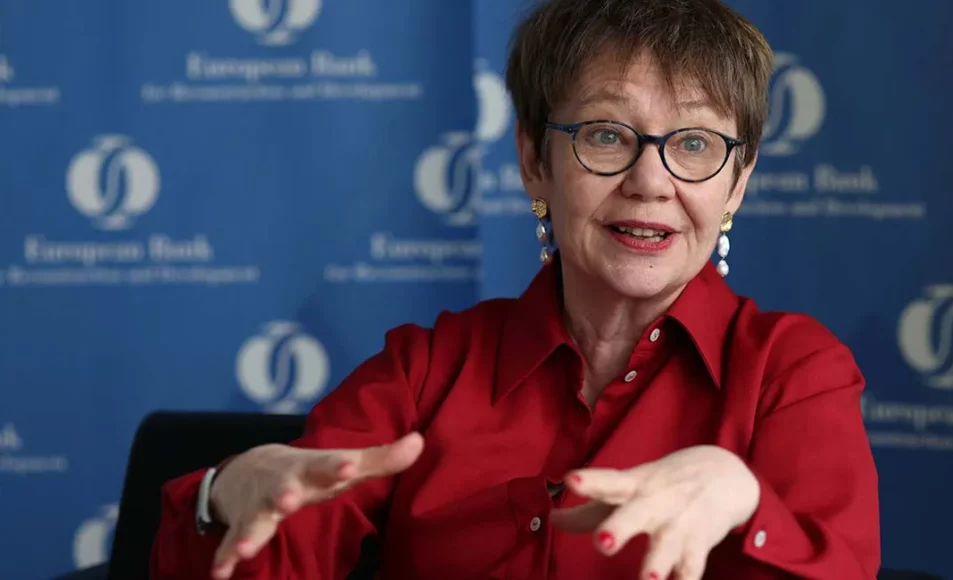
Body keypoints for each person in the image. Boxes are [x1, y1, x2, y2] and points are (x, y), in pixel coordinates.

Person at [150, 0, 880, 578]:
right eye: (606, 134)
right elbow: (270, 552)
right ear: (534, 160)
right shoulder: (426, 370)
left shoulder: (793, 374)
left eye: (694, 144)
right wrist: (222, 497)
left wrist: (744, 501)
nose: (650, 181)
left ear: (737, 182)